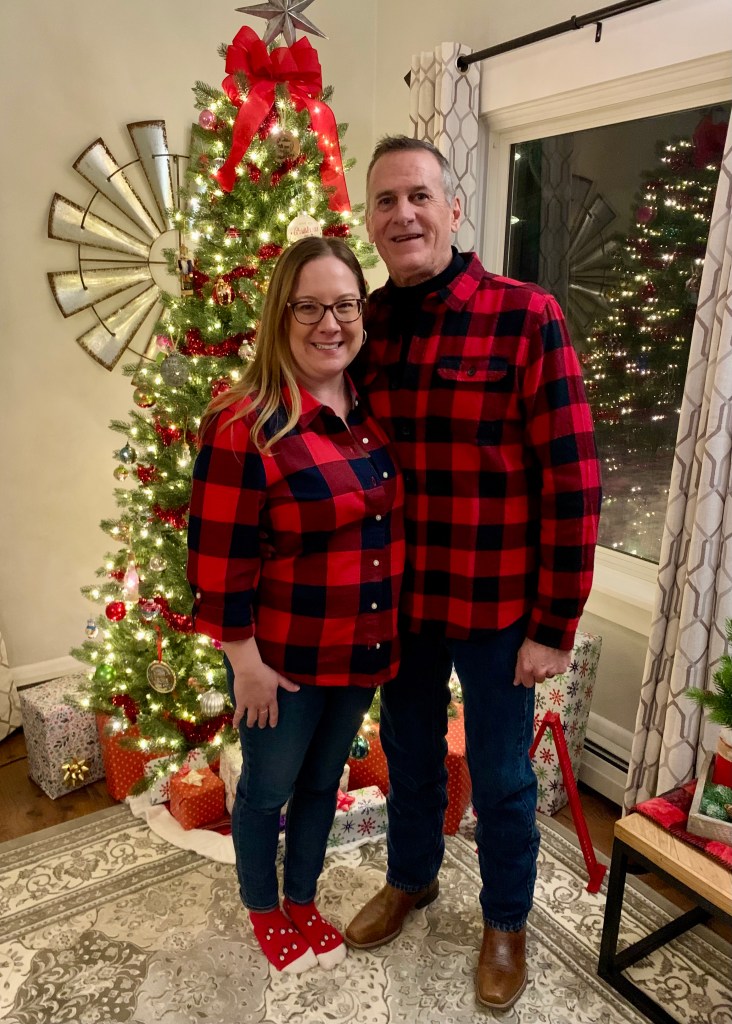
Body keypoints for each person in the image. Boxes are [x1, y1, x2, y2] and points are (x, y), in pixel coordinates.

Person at [344, 136, 602, 1011]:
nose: (403, 214)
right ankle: (412, 877)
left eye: (419, 195)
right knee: (409, 755)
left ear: (453, 208)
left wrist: (554, 626)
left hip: (496, 606)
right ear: (370, 221)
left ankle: (505, 921)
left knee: (500, 776)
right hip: (398, 600)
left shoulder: (526, 316)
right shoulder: (363, 327)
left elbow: (574, 480)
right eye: (385, 201)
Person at [187, 237, 404, 975]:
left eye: (344, 305)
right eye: (308, 307)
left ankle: (302, 897)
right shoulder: (243, 423)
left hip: (362, 647)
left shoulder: (370, 409)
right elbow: (217, 561)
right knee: (267, 790)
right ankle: (261, 903)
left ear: (362, 314)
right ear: (280, 315)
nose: (329, 323)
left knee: (321, 783)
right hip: (281, 662)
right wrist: (245, 665)